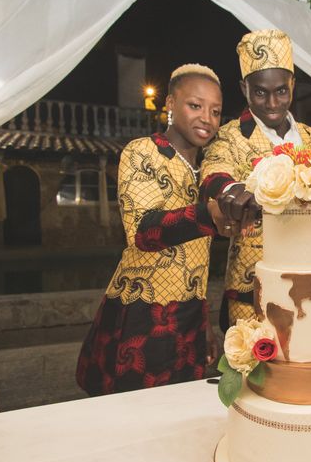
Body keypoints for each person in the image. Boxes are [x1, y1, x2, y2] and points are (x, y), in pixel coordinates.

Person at [76, 64, 222, 395]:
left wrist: (206, 324)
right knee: (136, 417)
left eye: (215, 111)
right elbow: (144, 233)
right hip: (142, 316)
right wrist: (209, 214)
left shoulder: (205, 173)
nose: (207, 119)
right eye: (195, 106)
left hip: (190, 320)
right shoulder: (143, 152)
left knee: (180, 415)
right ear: (170, 104)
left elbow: (196, 262)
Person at [200, 29, 311, 330]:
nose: (272, 103)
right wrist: (230, 189)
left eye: (281, 90)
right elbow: (213, 172)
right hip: (252, 284)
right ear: (244, 88)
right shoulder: (230, 136)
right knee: (255, 370)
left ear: (293, 85)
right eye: (260, 92)